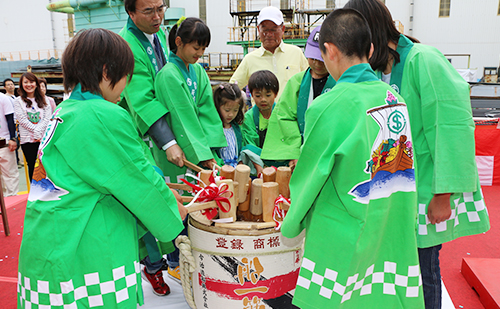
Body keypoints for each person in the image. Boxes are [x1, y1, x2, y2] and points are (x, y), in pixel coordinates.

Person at [16, 28, 186, 308]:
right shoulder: (102, 115)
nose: (125, 88)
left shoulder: (64, 112)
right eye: (126, 78)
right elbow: (136, 178)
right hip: (84, 243)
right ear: (107, 72)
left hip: (48, 238)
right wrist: (170, 207)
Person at [343, 1, 490, 308]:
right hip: (395, 193)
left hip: (425, 192)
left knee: (424, 272)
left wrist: (444, 193)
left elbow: (451, 126)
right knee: (398, 272)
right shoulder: (380, 69)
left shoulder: (423, 60)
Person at [281, 9, 424, 308]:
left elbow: (310, 178)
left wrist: (291, 222)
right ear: (371, 49)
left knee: (339, 297)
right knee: (381, 295)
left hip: (344, 230)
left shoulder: (328, 105)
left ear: (329, 51)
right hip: (390, 223)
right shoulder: (394, 99)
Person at [119, 0, 179, 293]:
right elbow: (141, 99)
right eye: (149, 11)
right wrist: (168, 140)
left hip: (156, 135)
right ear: (130, 12)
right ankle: (152, 266)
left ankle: (171, 260)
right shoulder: (127, 45)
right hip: (138, 137)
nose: (157, 17)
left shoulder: (158, 35)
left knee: (166, 201)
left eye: (161, 8)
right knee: (146, 207)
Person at [154, 16, 226, 177]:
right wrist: (202, 153)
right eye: (196, 48)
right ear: (179, 42)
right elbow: (182, 117)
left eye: (204, 49)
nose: (200, 53)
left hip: (201, 146)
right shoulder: (168, 74)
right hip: (180, 146)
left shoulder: (199, 71)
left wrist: (210, 149)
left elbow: (208, 110)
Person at [261, 26, 336, 170]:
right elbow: (285, 117)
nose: (317, 63)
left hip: (330, 152)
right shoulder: (296, 82)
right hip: (300, 152)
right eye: (313, 58)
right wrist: (294, 151)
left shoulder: (341, 82)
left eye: (321, 58)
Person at [229, 6, 308, 100]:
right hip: (262, 114)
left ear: (282, 29)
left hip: (291, 114)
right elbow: (232, 88)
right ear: (258, 29)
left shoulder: (296, 53)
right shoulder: (250, 59)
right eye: (265, 29)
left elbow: (310, 82)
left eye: (274, 29)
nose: (269, 34)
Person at [213, 82, 263, 174]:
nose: (231, 114)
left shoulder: (238, 128)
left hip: (238, 171)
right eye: (227, 110)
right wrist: (221, 169)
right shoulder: (213, 129)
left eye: (235, 110)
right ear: (217, 106)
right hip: (220, 171)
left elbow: (243, 147)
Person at [13, 72, 51, 181]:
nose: (29, 85)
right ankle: (35, 194)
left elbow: (47, 118)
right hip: (28, 140)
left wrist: (39, 132)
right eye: (26, 82)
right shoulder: (18, 101)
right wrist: (36, 132)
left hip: (44, 139)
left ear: (36, 84)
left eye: (31, 82)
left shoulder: (45, 99)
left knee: (46, 166)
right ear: (21, 85)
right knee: (33, 166)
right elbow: (22, 120)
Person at [241, 70, 278, 149]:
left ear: (276, 94)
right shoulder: (248, 118)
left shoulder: (283, 114)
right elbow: (250, 145)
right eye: (258, 96)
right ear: (252, 95)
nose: (263, 99)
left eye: (268, 95)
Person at [0, 92, 19, 196]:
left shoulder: (3, 98)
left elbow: (10, 119)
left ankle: (12, 200)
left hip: (4, 142)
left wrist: (12, 138)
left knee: (10, 174)